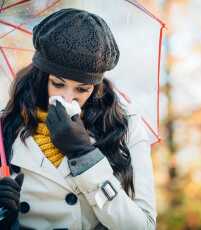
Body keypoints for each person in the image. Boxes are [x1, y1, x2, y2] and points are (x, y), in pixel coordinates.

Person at [0, 8, 157, 230]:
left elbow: (144, 227)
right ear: (41, 75)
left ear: (96, 87)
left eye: (82, 89)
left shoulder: (125, 127)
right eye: (58, 83)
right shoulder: (5, 128)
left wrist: (85, 155)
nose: (68, 98)